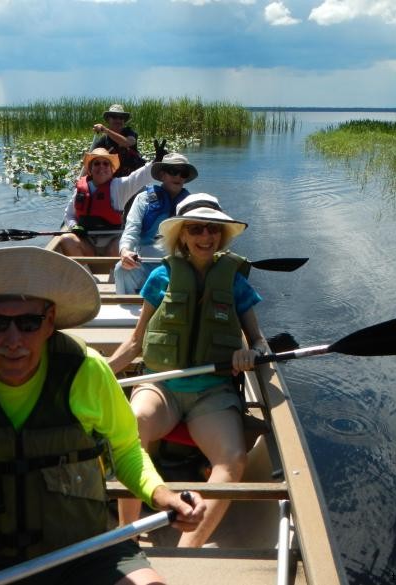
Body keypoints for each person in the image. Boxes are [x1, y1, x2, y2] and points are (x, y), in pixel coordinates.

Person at [0, 247, 206, 585]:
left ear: (50, 321)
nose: (13, 341)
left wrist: (162, 495)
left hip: (85, 551)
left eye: (29, 322)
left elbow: (127, 450)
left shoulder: (88, 372)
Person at [107, 194, 270, 547]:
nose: (205, 236)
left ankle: (188, 551)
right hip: (161, 385)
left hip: (212, 392)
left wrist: (250, 352)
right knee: (131, 429)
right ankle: (127, 539)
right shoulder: (160, 278)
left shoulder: (236, 283)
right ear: (182, 234)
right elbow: (136, 343)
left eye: (213, 229)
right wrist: (104, 371)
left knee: (233, 460)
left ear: (222, 235)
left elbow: (259, 341)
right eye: (196, 228)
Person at [58, 140, 167, 257]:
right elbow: (69, 215)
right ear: (90, 169)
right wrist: (74, 225)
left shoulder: (119, 186)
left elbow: (140, 176)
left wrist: (156, 162)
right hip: (87, 241)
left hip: (113, 240)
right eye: (97, 163)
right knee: (66, 239)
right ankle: (85, 273)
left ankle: (112, 274)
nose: (101, 167)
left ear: (111, 169)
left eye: (106, 164)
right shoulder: (80, 189)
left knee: (120, 246)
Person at [113, 152, 198, 294]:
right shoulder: (143, 198)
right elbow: (131, 229)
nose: (177, 176)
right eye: (173, 171)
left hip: (178, 265)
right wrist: (125, 250)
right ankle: (130, 310)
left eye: (182, 173)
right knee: (121, 269)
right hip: (146, 263)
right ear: (162, 174)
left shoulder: (192, 203)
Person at [92, 104, 146, 177]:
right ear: (108, 119)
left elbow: (128, 142)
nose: (118, 120)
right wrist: (81, 178)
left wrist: (105, 129)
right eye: (114, 117)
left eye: (121, 118)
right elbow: (91, 158)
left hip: (134, 178)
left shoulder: (129, 132)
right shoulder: (104, 140)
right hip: (114, 180)